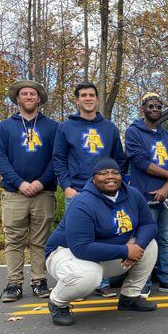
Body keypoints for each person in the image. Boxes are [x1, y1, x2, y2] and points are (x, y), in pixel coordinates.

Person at [44, 158, 159, 326]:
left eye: (115, 172)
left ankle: (130, 298)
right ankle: (57, 303)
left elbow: (148, 223)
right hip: (65, 254)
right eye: (103, 173)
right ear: (93, 179)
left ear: (121, 176)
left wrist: (138, 245)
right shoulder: (82, 203)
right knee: (89, 276)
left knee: (149, 245)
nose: (110, 177)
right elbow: (81, 248)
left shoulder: (132, 194)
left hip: (106, 253)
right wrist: (125, 251)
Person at [53, 82, 127, 297]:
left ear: (97, 99)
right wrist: (66, 187)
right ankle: (78, 281)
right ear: (77, 100)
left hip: (105, 193)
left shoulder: (109, 128)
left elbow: (119, 160)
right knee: (76, 238)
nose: (88, 98)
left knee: (104, 235)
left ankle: (101, 281)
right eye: (83, 95)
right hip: (77, 191)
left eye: (92, 95)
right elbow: (58, 159)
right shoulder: (65, 127)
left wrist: (114, 184)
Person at [0, 80, 58, 302]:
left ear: (39, 99)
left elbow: (56, 158)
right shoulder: (5, 127)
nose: (29, 97)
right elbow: (0, 158)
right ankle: (14, 284)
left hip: (44, 193)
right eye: (24, 94)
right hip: (14, 194)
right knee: (14, 240)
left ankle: (39, 282)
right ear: (18, 99)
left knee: (41, 240)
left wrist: (41, 182)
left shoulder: (52, 127)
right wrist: (20, 183)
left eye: (33, 94)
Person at [125, 92, 168, 294]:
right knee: (145, 240)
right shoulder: (134, 132)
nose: (155, 110)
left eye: (159, 107)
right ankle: (145, 284)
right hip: (144, 196)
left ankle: (165, 279)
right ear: (143, 109)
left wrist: (167, 186)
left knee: (164, 238)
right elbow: (141, 162)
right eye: (151, 106)